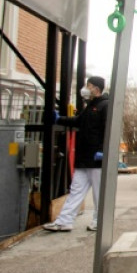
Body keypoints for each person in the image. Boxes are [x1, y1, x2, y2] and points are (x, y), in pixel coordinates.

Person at [44, 76, 108, 232]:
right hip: (84, 158)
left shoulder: (105, 106)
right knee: (75, 191)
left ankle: (99, 222)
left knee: (99, 194)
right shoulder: (90, 107)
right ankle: (64, 221)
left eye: (89, 85)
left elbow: (108, 129)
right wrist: (60, 120)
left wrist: (103, 150)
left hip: (96, 159)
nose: (86, 88)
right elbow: (79, 121)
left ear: (97, 89)